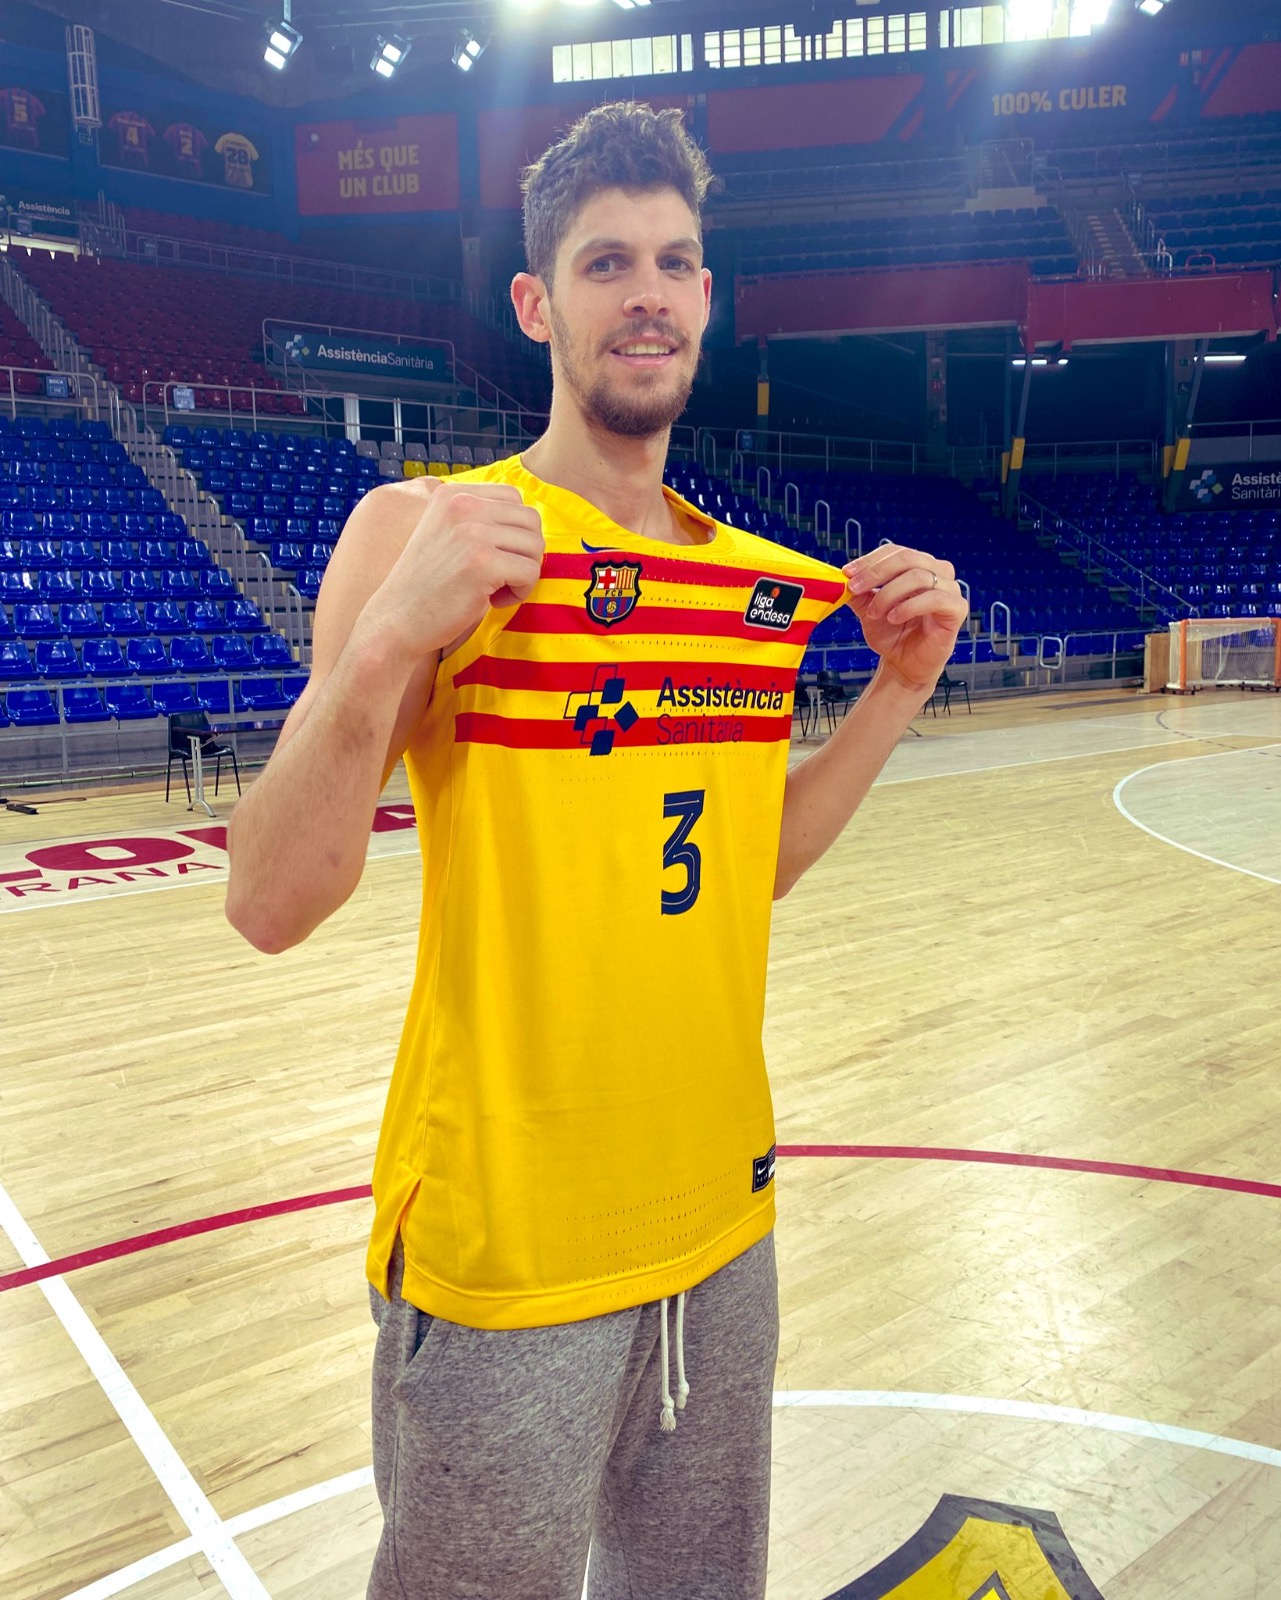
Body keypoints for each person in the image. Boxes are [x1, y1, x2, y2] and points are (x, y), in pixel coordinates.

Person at [225, 102, 967, 1600]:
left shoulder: (752, 593)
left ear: (707, 297)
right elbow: (268, 899)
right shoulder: (425, 531)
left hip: (723, 1223)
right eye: (605, 262)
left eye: (675, 263)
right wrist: (386, 642)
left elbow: (748, 868)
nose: (647, 295)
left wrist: (896, 691)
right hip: (508, 1245)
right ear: (536, 303)